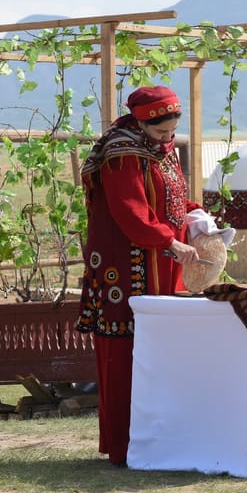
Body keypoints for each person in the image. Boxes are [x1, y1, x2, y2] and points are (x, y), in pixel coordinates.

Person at [76, 86, 203, 467]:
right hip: (127, 265)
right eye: (163, 132)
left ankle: (163, 438)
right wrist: (169, 240)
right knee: (127, 351)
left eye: (173, 131)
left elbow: (173, 198)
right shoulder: (122, 154)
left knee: (160, 350)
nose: (169, 139)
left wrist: (197, 216)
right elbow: (131, 212)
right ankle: (126, 444)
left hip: (160, 262)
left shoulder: (159, 149)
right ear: (143, 123)